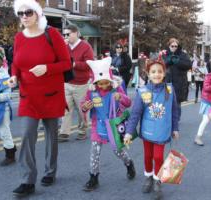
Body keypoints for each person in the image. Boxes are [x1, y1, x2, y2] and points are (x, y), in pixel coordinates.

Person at [10, 0, 71, 197]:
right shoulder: (19, 38)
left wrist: (47, 68)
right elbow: (16, 64)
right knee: (27, 135)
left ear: (37, 14)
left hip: (51, 94)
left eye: (28, 12)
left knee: (51, 136)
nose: (25, 16)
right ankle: (27, 180)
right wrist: (14, 77)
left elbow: (66, 63)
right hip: (28, 95)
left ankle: (50, 171)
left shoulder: (51, 34)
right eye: (21, 13)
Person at [124, 58, 179, 200]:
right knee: (148, 156)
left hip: (162, 131)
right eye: (153, 72)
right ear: (148, 73)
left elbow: (174, 111)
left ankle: (157, 180)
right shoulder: (143, 91)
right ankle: (148, 177)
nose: (156, 74)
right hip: (147, 131)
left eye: (159, 72)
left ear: (164, 73)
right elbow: (135, 113)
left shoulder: (169, 89)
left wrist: (175, 128)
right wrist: (129, 132)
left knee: (158, 156)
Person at [80, 57, 136, 191]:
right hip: (97, 125)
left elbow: (128, 103)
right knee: (94, 152)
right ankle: (93, 177)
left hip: (113, 126)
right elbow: (83, 105)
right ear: (96, 82)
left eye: (106, 83)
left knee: (118, 151)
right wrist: (85, 107)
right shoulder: (91, 91)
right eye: (101, 84)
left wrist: (120, 97)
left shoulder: (116, 89)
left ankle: (129, 164)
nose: (104, 86)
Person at [58, 24, 94, 142]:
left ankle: (82, 130)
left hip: (81, 84)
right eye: (64, 34)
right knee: (66, 109)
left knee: (82, 109)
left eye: (68, 34)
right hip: (67, 82)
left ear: (76, 33)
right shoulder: (64, 46)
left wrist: (74, 64)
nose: (66, 36)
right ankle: (64, 133)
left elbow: (89, 64)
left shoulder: (86, 46)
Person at [162, 38, 192, 122]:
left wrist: (177, 61)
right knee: (166, 102)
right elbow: (161, 65)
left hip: (179, 82)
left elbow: (188, 64)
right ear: (169, 46)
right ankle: (167, 119)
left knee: (177, 103)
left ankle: (176, 120)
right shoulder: (165, 54)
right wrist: (169, 60)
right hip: (167, 82)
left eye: (176, 46)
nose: (174, 47)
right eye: (172, 46)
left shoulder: (182, 55)